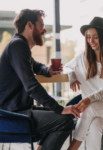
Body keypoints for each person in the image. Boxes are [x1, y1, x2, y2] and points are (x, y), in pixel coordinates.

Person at [0, 9, 81, 150]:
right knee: (64, 121)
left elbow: (37, 66)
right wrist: (60, 108)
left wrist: (48, 71)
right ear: (29, 25)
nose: (44, 31)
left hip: (17, 110)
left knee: (65, 118)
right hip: (11, 115)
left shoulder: (20, 46)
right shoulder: (17, 45)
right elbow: (31, 86)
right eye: (42, 26)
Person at [64, 17, 103, 150]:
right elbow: (67, 66)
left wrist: (88, 99)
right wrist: (71, 75)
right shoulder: (83, 57)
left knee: (90, 108)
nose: (91, 41)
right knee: (94, 124)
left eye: (95, 37)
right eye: (88, 37)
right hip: (96, 109)